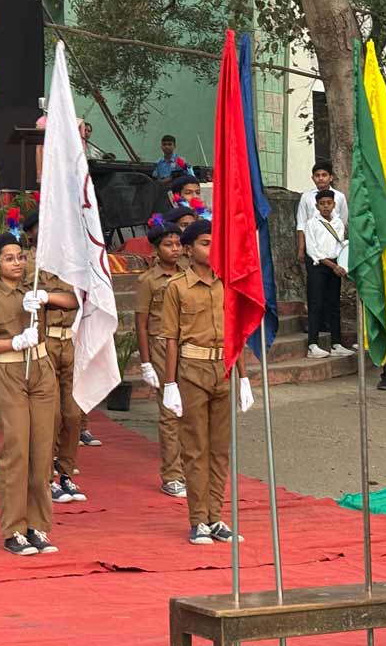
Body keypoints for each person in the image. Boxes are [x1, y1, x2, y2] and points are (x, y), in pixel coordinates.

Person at [159, 220, 252, 545]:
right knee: (196, 448)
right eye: (204, 243)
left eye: (215, 243)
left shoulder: (227, 284)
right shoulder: (177, 287)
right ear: (188, 249)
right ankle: (198, 519)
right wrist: (169, 383)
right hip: (192, 371)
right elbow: (171, 338)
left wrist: (244, 378)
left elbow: (236, 333)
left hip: (223, 368)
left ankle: (216, 516)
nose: (212, 250)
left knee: (219, 449)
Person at [0, 231, 58, 556]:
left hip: (41, 368)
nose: (17, 263)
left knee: (42, 450)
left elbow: (75, 301)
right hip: (10, 370)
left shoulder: (32, 291)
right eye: (9, 259)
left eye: (20, 257)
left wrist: (45, 297)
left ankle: (38, 524)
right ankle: (14, 528)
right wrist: (13, 342)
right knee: (17, 449)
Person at [23, 210, 85, 497]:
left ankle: (66, 472)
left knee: (73, 414)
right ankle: (45, 475)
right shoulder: (28, 264)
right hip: (45, 342)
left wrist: (50, 297)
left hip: (70, 341)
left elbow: (78, 300)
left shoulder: (73, 265)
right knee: (51, 415)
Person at [134, 221, 187, 497]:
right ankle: (172, 475)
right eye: (168, 244)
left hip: (186, 345)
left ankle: (189, 467)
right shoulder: (148, 281)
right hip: (160, 346)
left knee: (190, 411)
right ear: (156, 249)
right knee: (169, 412)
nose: (175, 249)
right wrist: (145, 362)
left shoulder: (188, 274)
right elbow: (141, 323)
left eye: (178, 244)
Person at [304, 191, 350, 362]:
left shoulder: (338, 223)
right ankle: (312, 344)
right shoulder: (312, 224)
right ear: (317, 206)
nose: (325, 206)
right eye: (322, 203)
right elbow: (312, 250)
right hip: (319, 266)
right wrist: (333, 266)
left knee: (334, 305)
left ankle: (336, 343)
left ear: (334, 205)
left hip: (335, 266)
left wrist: (341, 265)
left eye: (329, 203)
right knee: (316, 304)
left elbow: (340, 246)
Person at [295, 161, 349, 269]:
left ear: (331, 177)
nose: (320, 178)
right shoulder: (306, 197)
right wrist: (301, 248)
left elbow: (343, 221)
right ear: (312, 178)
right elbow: (301, 224)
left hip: (335, 251)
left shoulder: (340, 197)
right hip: (313, 249)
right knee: (315, 277)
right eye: (317, 175)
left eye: (324, 175)